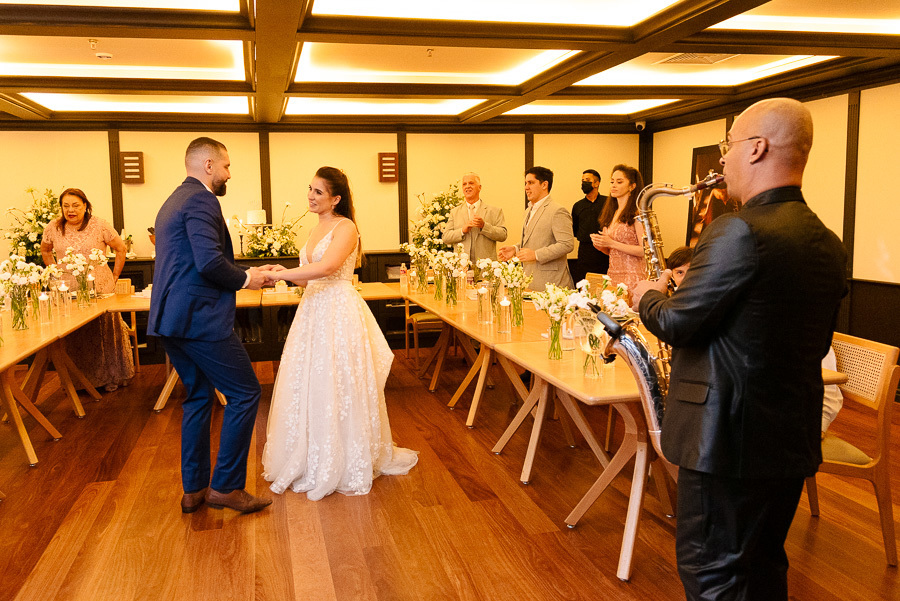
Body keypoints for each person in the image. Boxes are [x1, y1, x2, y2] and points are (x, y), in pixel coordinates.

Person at [633, 98, 847, 601]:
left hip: (724, 443)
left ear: (758, 148)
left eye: (728, 148)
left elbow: (678, 323)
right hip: (788, 436)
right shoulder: (827, 241)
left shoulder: (737, 229)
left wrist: (644, 294)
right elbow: (815, 345)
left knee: (712, 577)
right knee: (764, 566)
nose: (721, 162)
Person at [261, 167, 418, 500]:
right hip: (313, 312)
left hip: (338, 312)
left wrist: (286, 272)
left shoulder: (346, 227)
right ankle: (310, 455)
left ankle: (345, 458)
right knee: (311, 382)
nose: (311, 196)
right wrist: (284, 273)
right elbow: (309, 278)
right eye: (310, 189)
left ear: (336, 198)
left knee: (338, 382)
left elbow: (329, 268)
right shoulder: (316, 227)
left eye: (319, 192)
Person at [148, 137, 280, 515]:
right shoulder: (203, 199)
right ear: (208, 165)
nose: (228, 174)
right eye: (225, 166)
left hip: (172, 319)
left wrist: (250, 272)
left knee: (199, 397)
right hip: (199, 319)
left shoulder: (174, 199)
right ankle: (225, 487)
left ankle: (194, 490)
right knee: (245, 393)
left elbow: (192, 261)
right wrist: (247, 280)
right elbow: (208, 262)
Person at [41, 188, 135, 392]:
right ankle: (78, 382)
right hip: (68, 288)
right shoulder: (54, 227)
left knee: (101, 331)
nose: (70, 210)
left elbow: (120, 249)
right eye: (66, 206)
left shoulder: (99, 224)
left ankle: (110, 377)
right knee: (75, 335)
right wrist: (54, 272)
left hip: (99, 287)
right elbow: (45, 250)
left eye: (75, 205)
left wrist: (115, 275)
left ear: (85, 205)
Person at [498, 166, 574, 291]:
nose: (526, 187)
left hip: (552, 284)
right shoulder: (528, 210)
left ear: (544, 184)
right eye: (525, 183)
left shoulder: (557, 211)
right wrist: (515, 249)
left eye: (531, 183)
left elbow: (567, 244)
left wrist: (536, 254)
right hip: (530, 280)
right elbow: (533, 240)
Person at [590, 164, 645, 291]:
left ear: (632, 186)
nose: (613, 185)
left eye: (619, 182)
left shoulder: (638, 213)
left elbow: (645, 251)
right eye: (612, 181)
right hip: (613, 273)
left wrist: (612, 243)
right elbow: (612, 250)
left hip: (632, 274)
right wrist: (602, 245)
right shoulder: (614, 212)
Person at [442, 172, 507, 262]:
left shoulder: (495, 211)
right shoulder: (454, 212)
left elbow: (503, 235)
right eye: (464, 184)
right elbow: (446, 237)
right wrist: (462, 231)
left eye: (471, 183)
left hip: (485, 268)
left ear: (479, 187)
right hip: (462, 267)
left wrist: (484, 226)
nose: (467, 186)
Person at [571, 169, 609, 283]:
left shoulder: (608, 203)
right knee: (584, 283)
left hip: (605, 250)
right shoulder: (578, 206)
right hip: (585, 250)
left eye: (587, 180)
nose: (583, 183)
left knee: (605, 285)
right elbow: (575, 229)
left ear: (597, 183)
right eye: (582, 180)